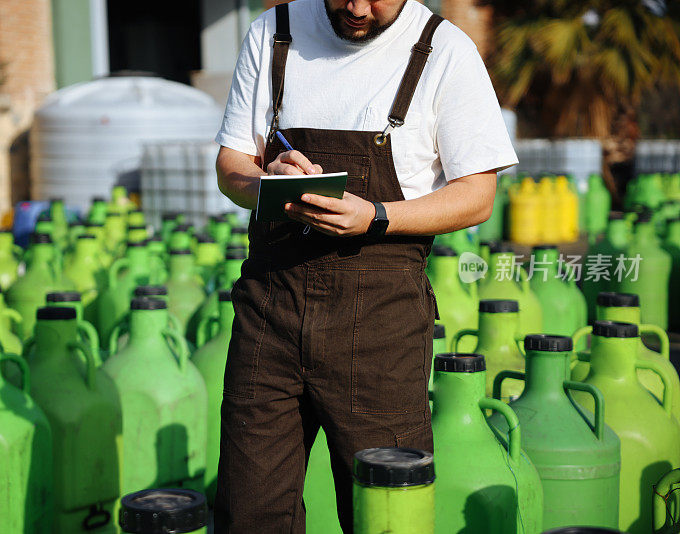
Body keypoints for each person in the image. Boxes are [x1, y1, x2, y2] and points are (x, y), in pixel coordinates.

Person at [214, 0, 517, 531]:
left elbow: (477, 195)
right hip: (270, 312)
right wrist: (269, 181)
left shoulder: (443, 49)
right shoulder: (274, 30)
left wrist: (375, 216)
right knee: (249, 509)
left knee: (384, 513)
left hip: (380, 327)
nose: (355, 8)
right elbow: (230, 165)